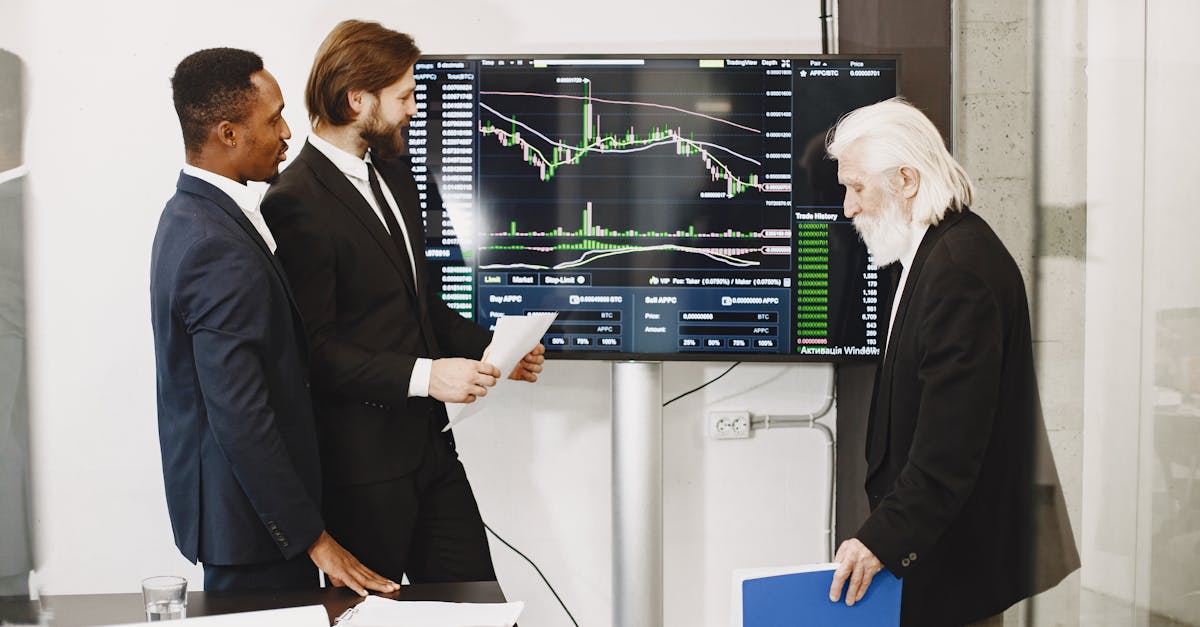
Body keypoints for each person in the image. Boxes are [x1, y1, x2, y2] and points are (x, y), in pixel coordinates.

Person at [261, 20, 545, 584]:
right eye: (405, 96)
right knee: (375, 618)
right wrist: (427, 376)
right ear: (356, 99)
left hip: (431, 451)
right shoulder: (294, 201)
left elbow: (419, 303)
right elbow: (314, 351)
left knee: (479, 610)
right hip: (361, 471)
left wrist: (495, 350)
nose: (414, 110)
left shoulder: (391, 171)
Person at [150, 47, 399, 594]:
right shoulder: (214, 245)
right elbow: (240, 411)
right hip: (254, 530)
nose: (288, 132)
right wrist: (313, 538)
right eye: (273, 119)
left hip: (251, 521)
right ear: (228, 133)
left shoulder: (192, 214)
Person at [824, 98, 1079, 626]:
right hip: (939, 553)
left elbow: (950, 447)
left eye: (856, 187)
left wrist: (880, 541)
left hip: (955, 567)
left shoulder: (958, 270)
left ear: (906, 181)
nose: (848, 207)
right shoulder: (936, 251)